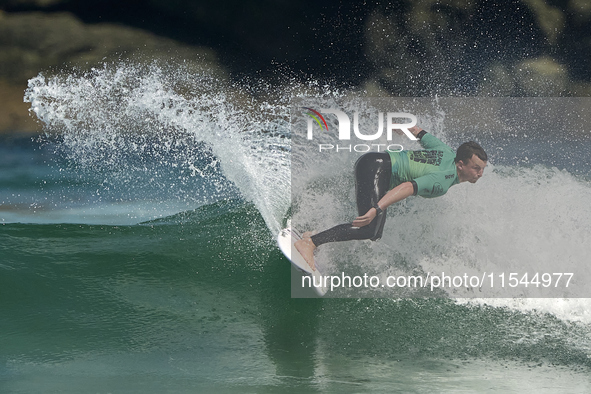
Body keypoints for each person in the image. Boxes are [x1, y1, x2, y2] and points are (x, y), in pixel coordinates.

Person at [294, 125, 488, 270]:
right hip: (375, 169)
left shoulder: (447, 152)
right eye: (476, 168)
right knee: (369, 228)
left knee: (375, 233)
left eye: (482, 169)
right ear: (461, 164)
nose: (479, 174)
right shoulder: (442, 181)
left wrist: (397, 129)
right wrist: (376, 209)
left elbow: (418, 131)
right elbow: (406, 187)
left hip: (375, 163)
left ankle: (312, 236)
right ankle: (310, 243)